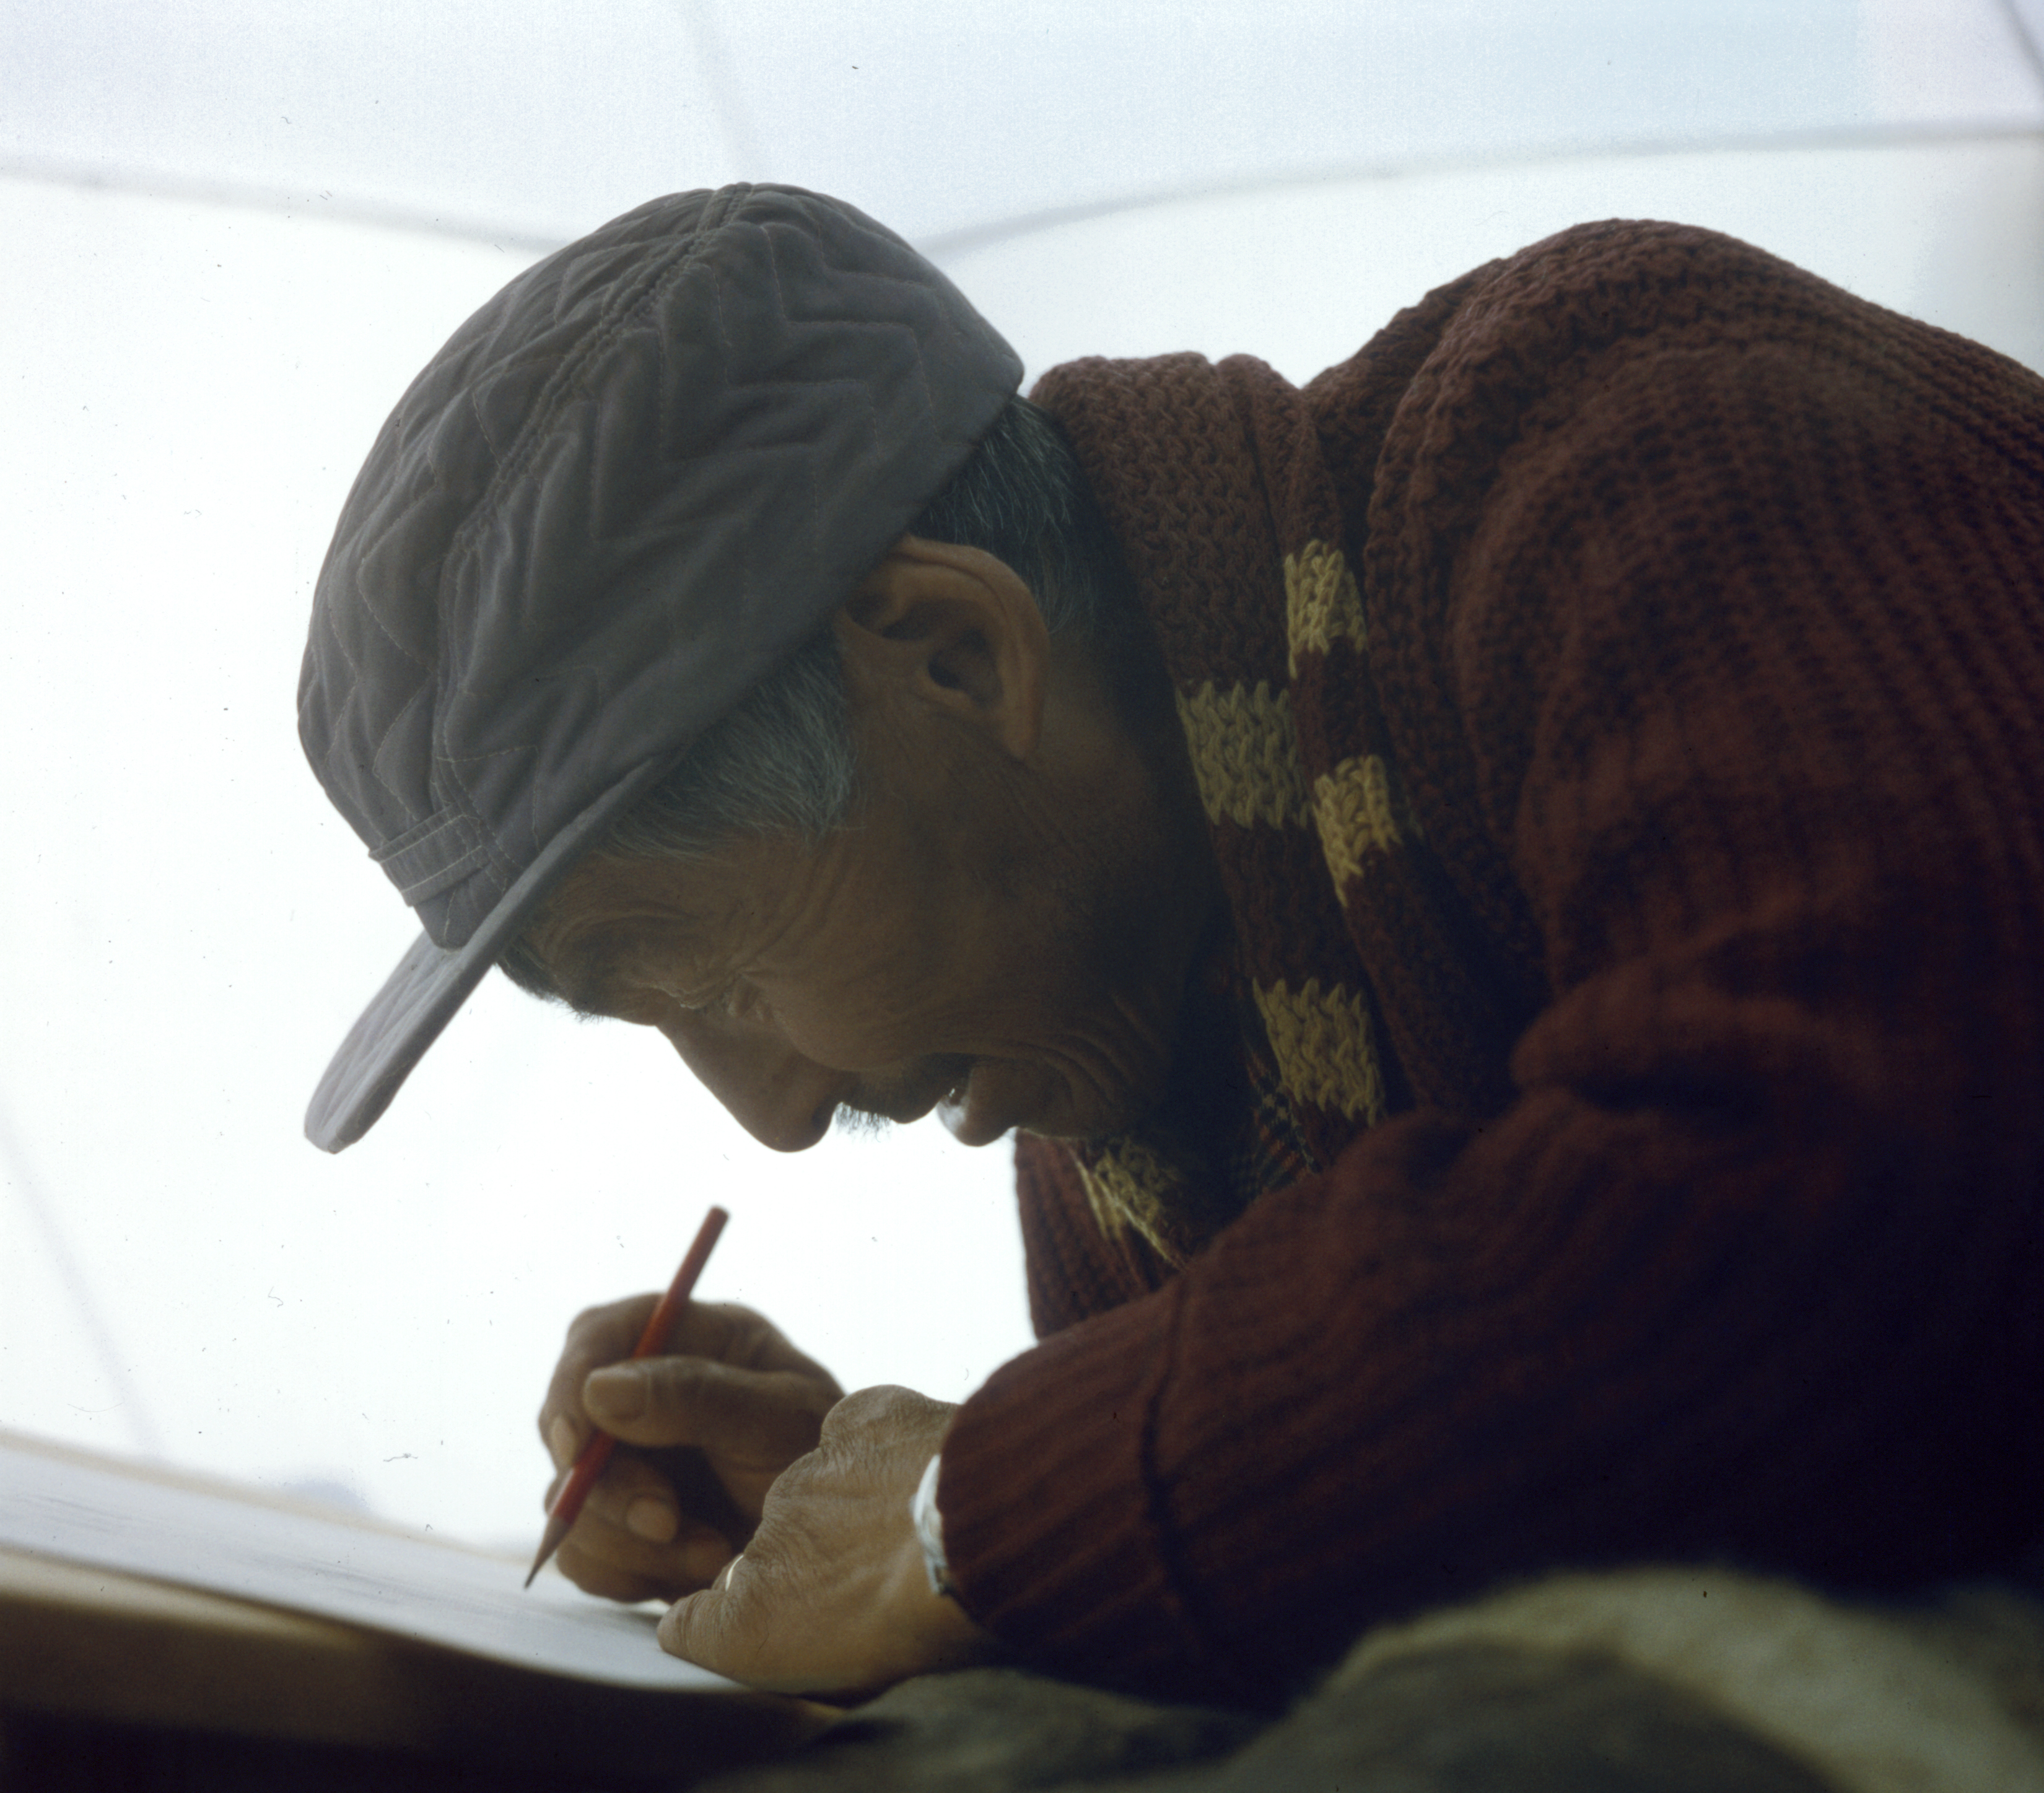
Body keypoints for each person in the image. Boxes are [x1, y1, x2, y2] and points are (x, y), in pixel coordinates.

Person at [300, 183, 2044, 1712]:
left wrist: (976, 1511)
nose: (769, 1112)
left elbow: (1838, 1205)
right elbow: (1371, 1492)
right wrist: (847, 1530)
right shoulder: (1130, 1101)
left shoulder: (1625, 435)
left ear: (955, 655)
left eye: (723, 982)